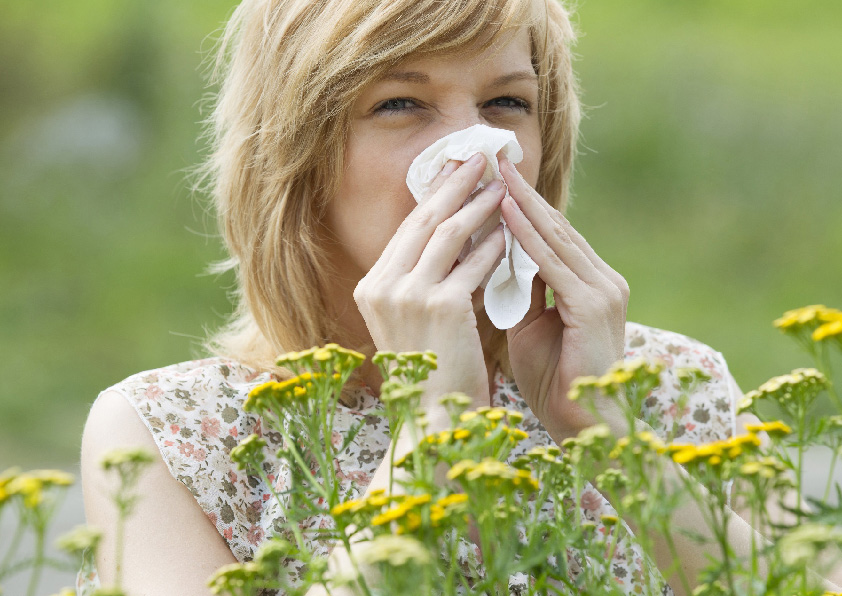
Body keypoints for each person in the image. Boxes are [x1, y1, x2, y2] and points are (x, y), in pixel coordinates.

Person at [78, 0, 840, 595]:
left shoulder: (670, 388)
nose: (476, 152)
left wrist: (608, 432)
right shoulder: (175, 437)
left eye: (506, 103)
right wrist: (433, 431)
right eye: (401, 105)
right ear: (299, 156)